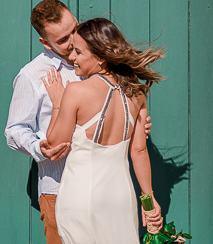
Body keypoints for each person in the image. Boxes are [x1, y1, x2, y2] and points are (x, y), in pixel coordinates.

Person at [42, 17, 165, 244]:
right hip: (121, 198)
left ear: (99, 57)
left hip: (81, 196)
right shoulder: (138, 93)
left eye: (77, 52)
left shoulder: (76, 91)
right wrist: (149, 202)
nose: (71, 58)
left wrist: (58, 102)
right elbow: (138, 151)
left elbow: (54, 142)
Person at [4, 0, 81, 244]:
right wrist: (39, 148)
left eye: (75, 30)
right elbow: (14, 130)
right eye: (62, 40)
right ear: (45, 42)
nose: (72, 42)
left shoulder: (97, 62)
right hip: (60, 189)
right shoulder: (31, 76)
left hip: (101, 187)